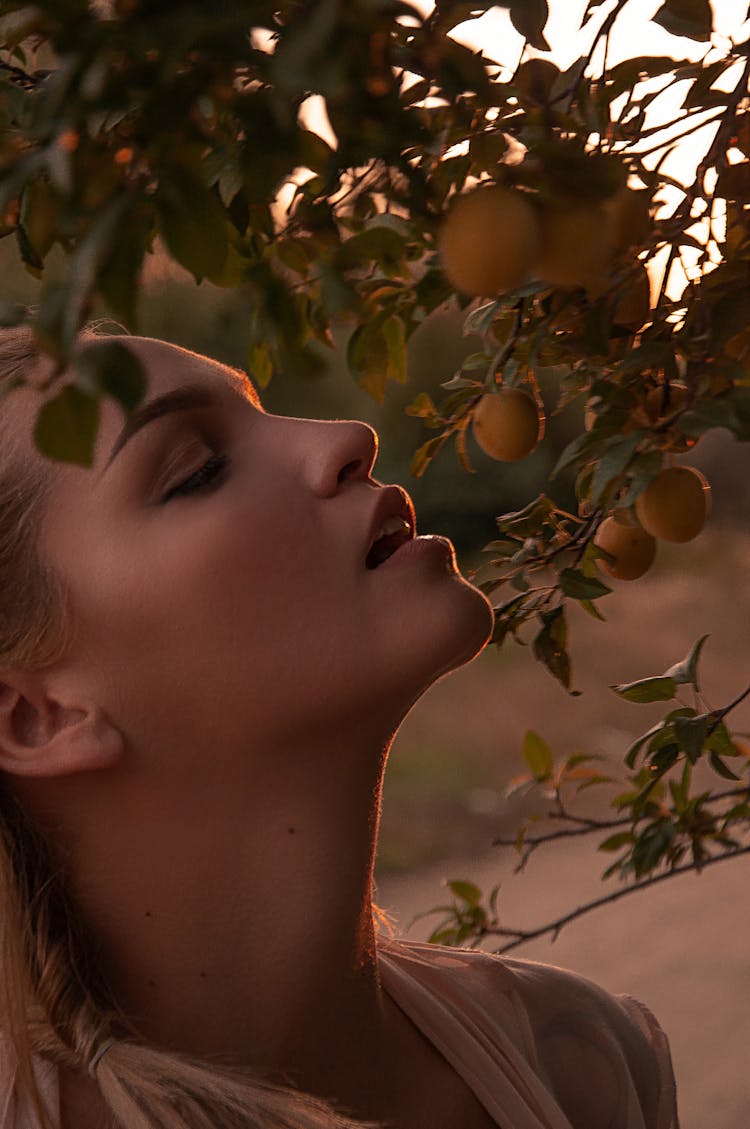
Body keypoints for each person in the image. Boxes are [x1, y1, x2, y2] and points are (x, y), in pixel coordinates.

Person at [0, 324, 679, 1129]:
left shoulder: (586, 1068)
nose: (350, 436)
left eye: (264, 408)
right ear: (37, 716)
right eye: (198, 471)